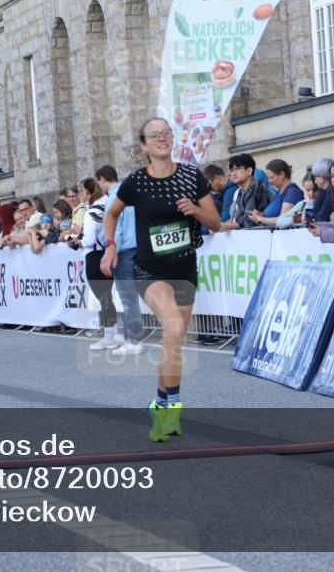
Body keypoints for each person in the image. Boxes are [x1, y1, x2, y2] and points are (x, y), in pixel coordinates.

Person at [101, 118, 221, 442]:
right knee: (174, 328)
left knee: (174, 339)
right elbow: (111, 214)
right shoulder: (136, 182)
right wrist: (110, 246)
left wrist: (195, 211)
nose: (162, 139)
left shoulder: (191, 177)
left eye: (166, 133)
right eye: (154, 136)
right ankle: (172, 409)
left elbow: (217, 223)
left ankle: (159, 399)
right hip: (150, 270)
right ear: (144, 145)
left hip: (185, 267)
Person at [96, 165, 144, 355]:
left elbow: (117, 227)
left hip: (123, 250)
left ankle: (134, 340)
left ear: (102, 179)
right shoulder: (132, 196)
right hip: (138, 248)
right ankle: (132, 337)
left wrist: (111, 249)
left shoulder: (114, 199)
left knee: (128, 297)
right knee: (138, 296)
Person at [72, 178, 119, 350]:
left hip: (95, 256)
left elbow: (90, 240)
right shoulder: (107, 203)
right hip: (109, 252)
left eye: (81, 191)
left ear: (88, 191)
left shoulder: (91, 212)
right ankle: (113, 333)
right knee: (108, 296)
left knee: (104, 297)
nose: (79, 194)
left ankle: (109, 336)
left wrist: (78, 242)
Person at [221, 153, 273, 230]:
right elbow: (238, 219)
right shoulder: (241, 191)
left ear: (249, 171)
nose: (233, 173)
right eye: (231, 170)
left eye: (237, 169)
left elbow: (248, 220)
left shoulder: (256, 188)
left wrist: (226, 226)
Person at [249, 159, 304, 228]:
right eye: (268, 178)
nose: (269, 181)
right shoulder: (279, 192)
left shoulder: (292, 191)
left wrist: (259, 218)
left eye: (272, 178)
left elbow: (283, 220)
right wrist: (261, 215)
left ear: (282, 175)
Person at [303, 158, 334, 223]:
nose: (315, 181)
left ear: (322, 178)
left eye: (315, 177)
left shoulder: (331, 192)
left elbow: (322, 217)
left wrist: (309, 216)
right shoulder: (324, 192)